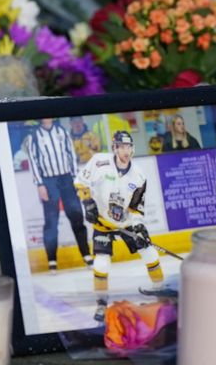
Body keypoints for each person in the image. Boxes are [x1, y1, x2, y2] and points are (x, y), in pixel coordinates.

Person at [75, 131, 165, 321]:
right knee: (101, 262)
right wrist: (87, 202)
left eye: (129, 147)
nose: (126, 150)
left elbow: (136, 208)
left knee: (150, 252)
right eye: (121, 147)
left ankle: (161, 293)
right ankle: (101, 304)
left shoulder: (139, 176)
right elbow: (80, 182)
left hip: (126, 223)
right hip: (102, 222)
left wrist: (138, 225)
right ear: (114, 148)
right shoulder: (99, 161)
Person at [28, 118, 93, 273]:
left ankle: (86, 255)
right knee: (51, 221)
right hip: (48, 182)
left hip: (66, 179)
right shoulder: (34, 136)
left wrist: (76, 179)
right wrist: (40, 184)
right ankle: (52, 260)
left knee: (76, 215)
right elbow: (33, 161)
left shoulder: (62, 132)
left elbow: (71, 154)